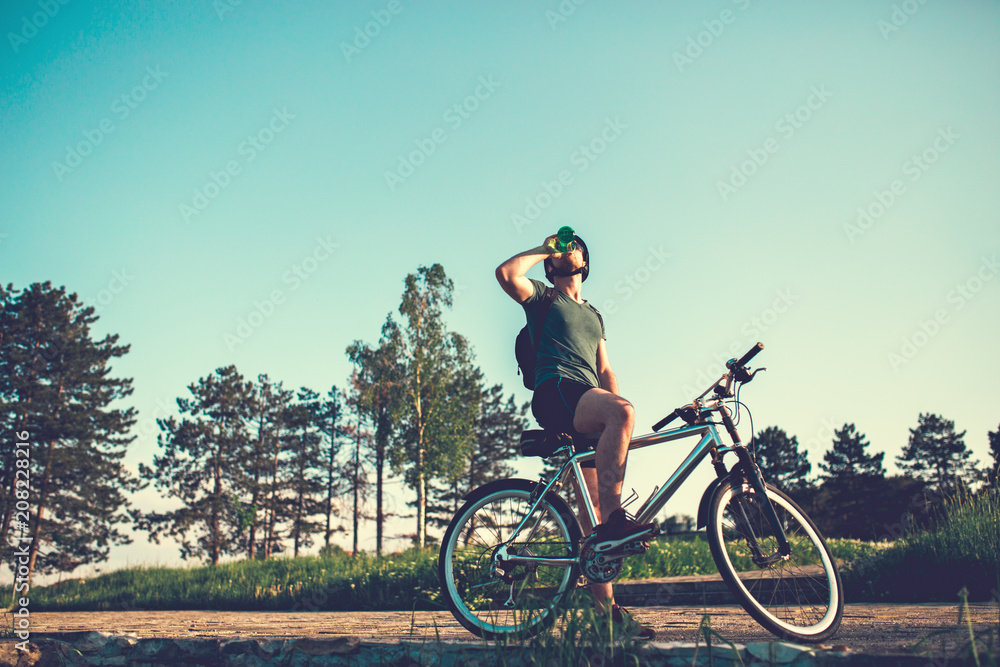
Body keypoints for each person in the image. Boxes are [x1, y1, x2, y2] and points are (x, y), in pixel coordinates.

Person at [495, 231, 656, 640]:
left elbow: (605, 370)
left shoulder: (595, 315)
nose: (568, 247)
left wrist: (617, 418)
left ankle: (606, 614)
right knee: (622, 415)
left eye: (574, 245)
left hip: (587, 399)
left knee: (594, 514)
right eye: (561, 247)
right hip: (557, 392)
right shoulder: (544, 298)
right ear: (552, 264)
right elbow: (505, 273)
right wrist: (544, 248)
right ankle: (619, 523)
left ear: (584, 261)